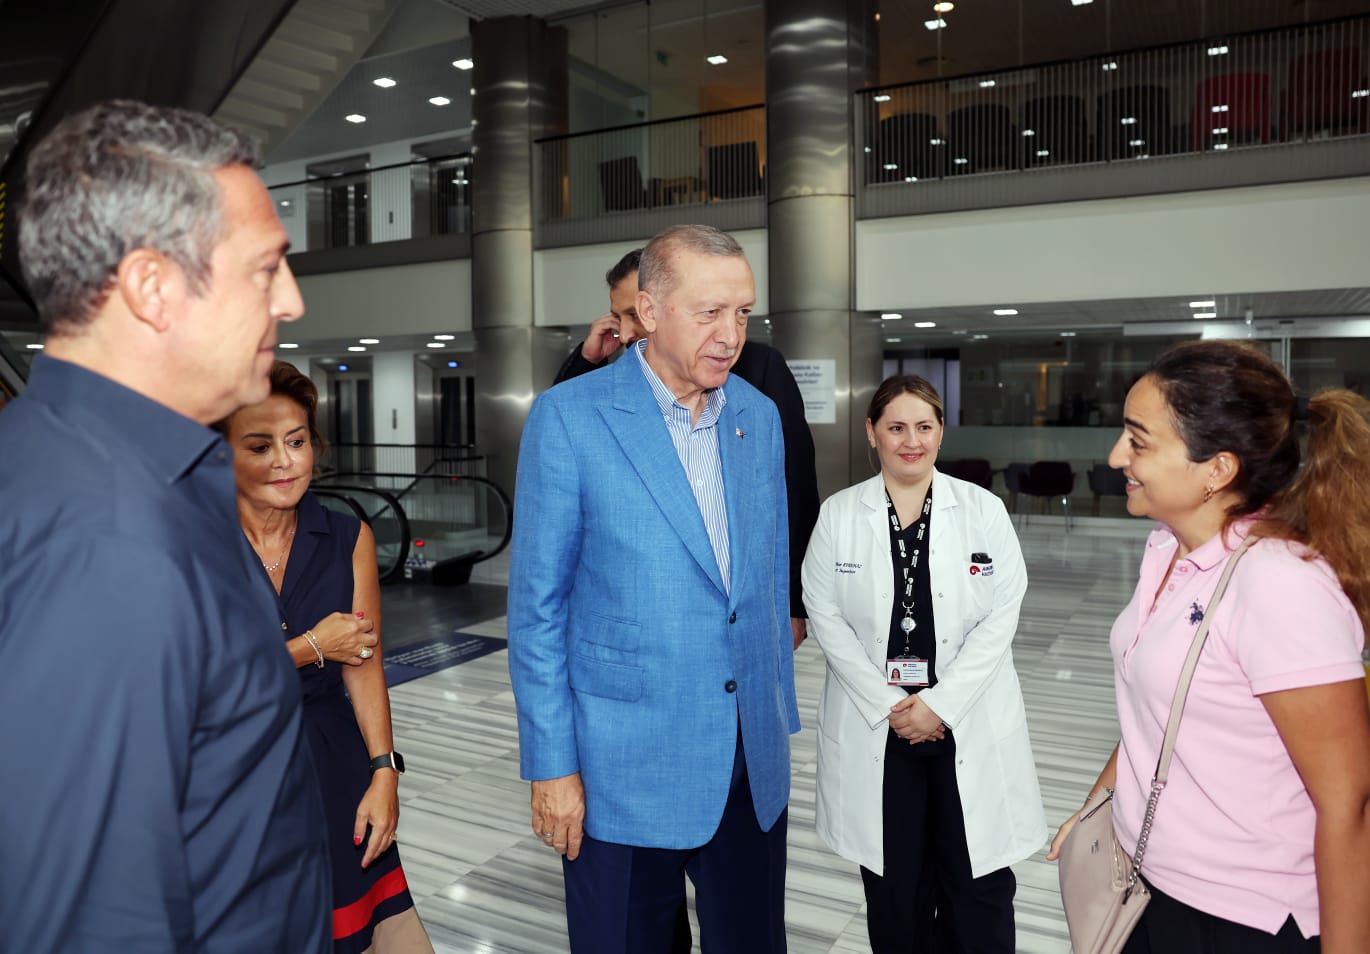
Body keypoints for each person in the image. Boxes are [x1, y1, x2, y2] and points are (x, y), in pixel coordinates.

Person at [0, 100, 331, 950]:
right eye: (265, 270)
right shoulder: (109, 546)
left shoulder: (87, 464)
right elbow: (94, 921)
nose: (290, 300)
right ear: (152, 287)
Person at [508, 224, 800, 953]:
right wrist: (552, 766)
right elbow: (537, 611)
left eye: (743, 312)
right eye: (710, 312)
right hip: (619, 767)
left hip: (746, 760)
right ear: (647, 310)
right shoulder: (569, 417)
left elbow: (765, 579)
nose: (731, 334)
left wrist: (778, 717)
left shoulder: (758, 417)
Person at [1047, 341, 1370, 954]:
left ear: (1217, 470)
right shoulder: (1166, 549)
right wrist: (1097, 809)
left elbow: (1348, 805)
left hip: (1241, 918)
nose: (1116, 456)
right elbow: (1157, 701)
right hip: (1147, 885)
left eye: (1138, 441)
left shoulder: (1279, 584)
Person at [801, 374, 1046, 954]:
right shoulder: (839, 515)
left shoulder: (983, 510)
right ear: (872, 433)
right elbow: (824, 614)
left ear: (940, 432)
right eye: (896, 428)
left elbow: (1002, 614)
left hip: (967, 719)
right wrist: (892, 705)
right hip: (883, 729)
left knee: (978, 886)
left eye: (924, 427)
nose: (911, 441)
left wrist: (940, 703)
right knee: (896, 892)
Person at [218, 362, 435, 954]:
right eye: (260, 446)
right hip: (228, 770)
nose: (285, 461)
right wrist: (311, 646)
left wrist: (384, 771)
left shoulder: (347, 536)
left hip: (332, 762)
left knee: (362, 930)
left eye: (297, 442)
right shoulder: (192, 545)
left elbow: (363, 662)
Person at [553, 247, 820, 651]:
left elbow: (795, 489)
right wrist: (587, 360)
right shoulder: (609, 389)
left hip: (741, 607)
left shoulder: (757, 372)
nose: (627, 332)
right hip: (646, 621)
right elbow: (561, 431)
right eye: (619, 316)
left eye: (633, 315)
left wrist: (792, 603)